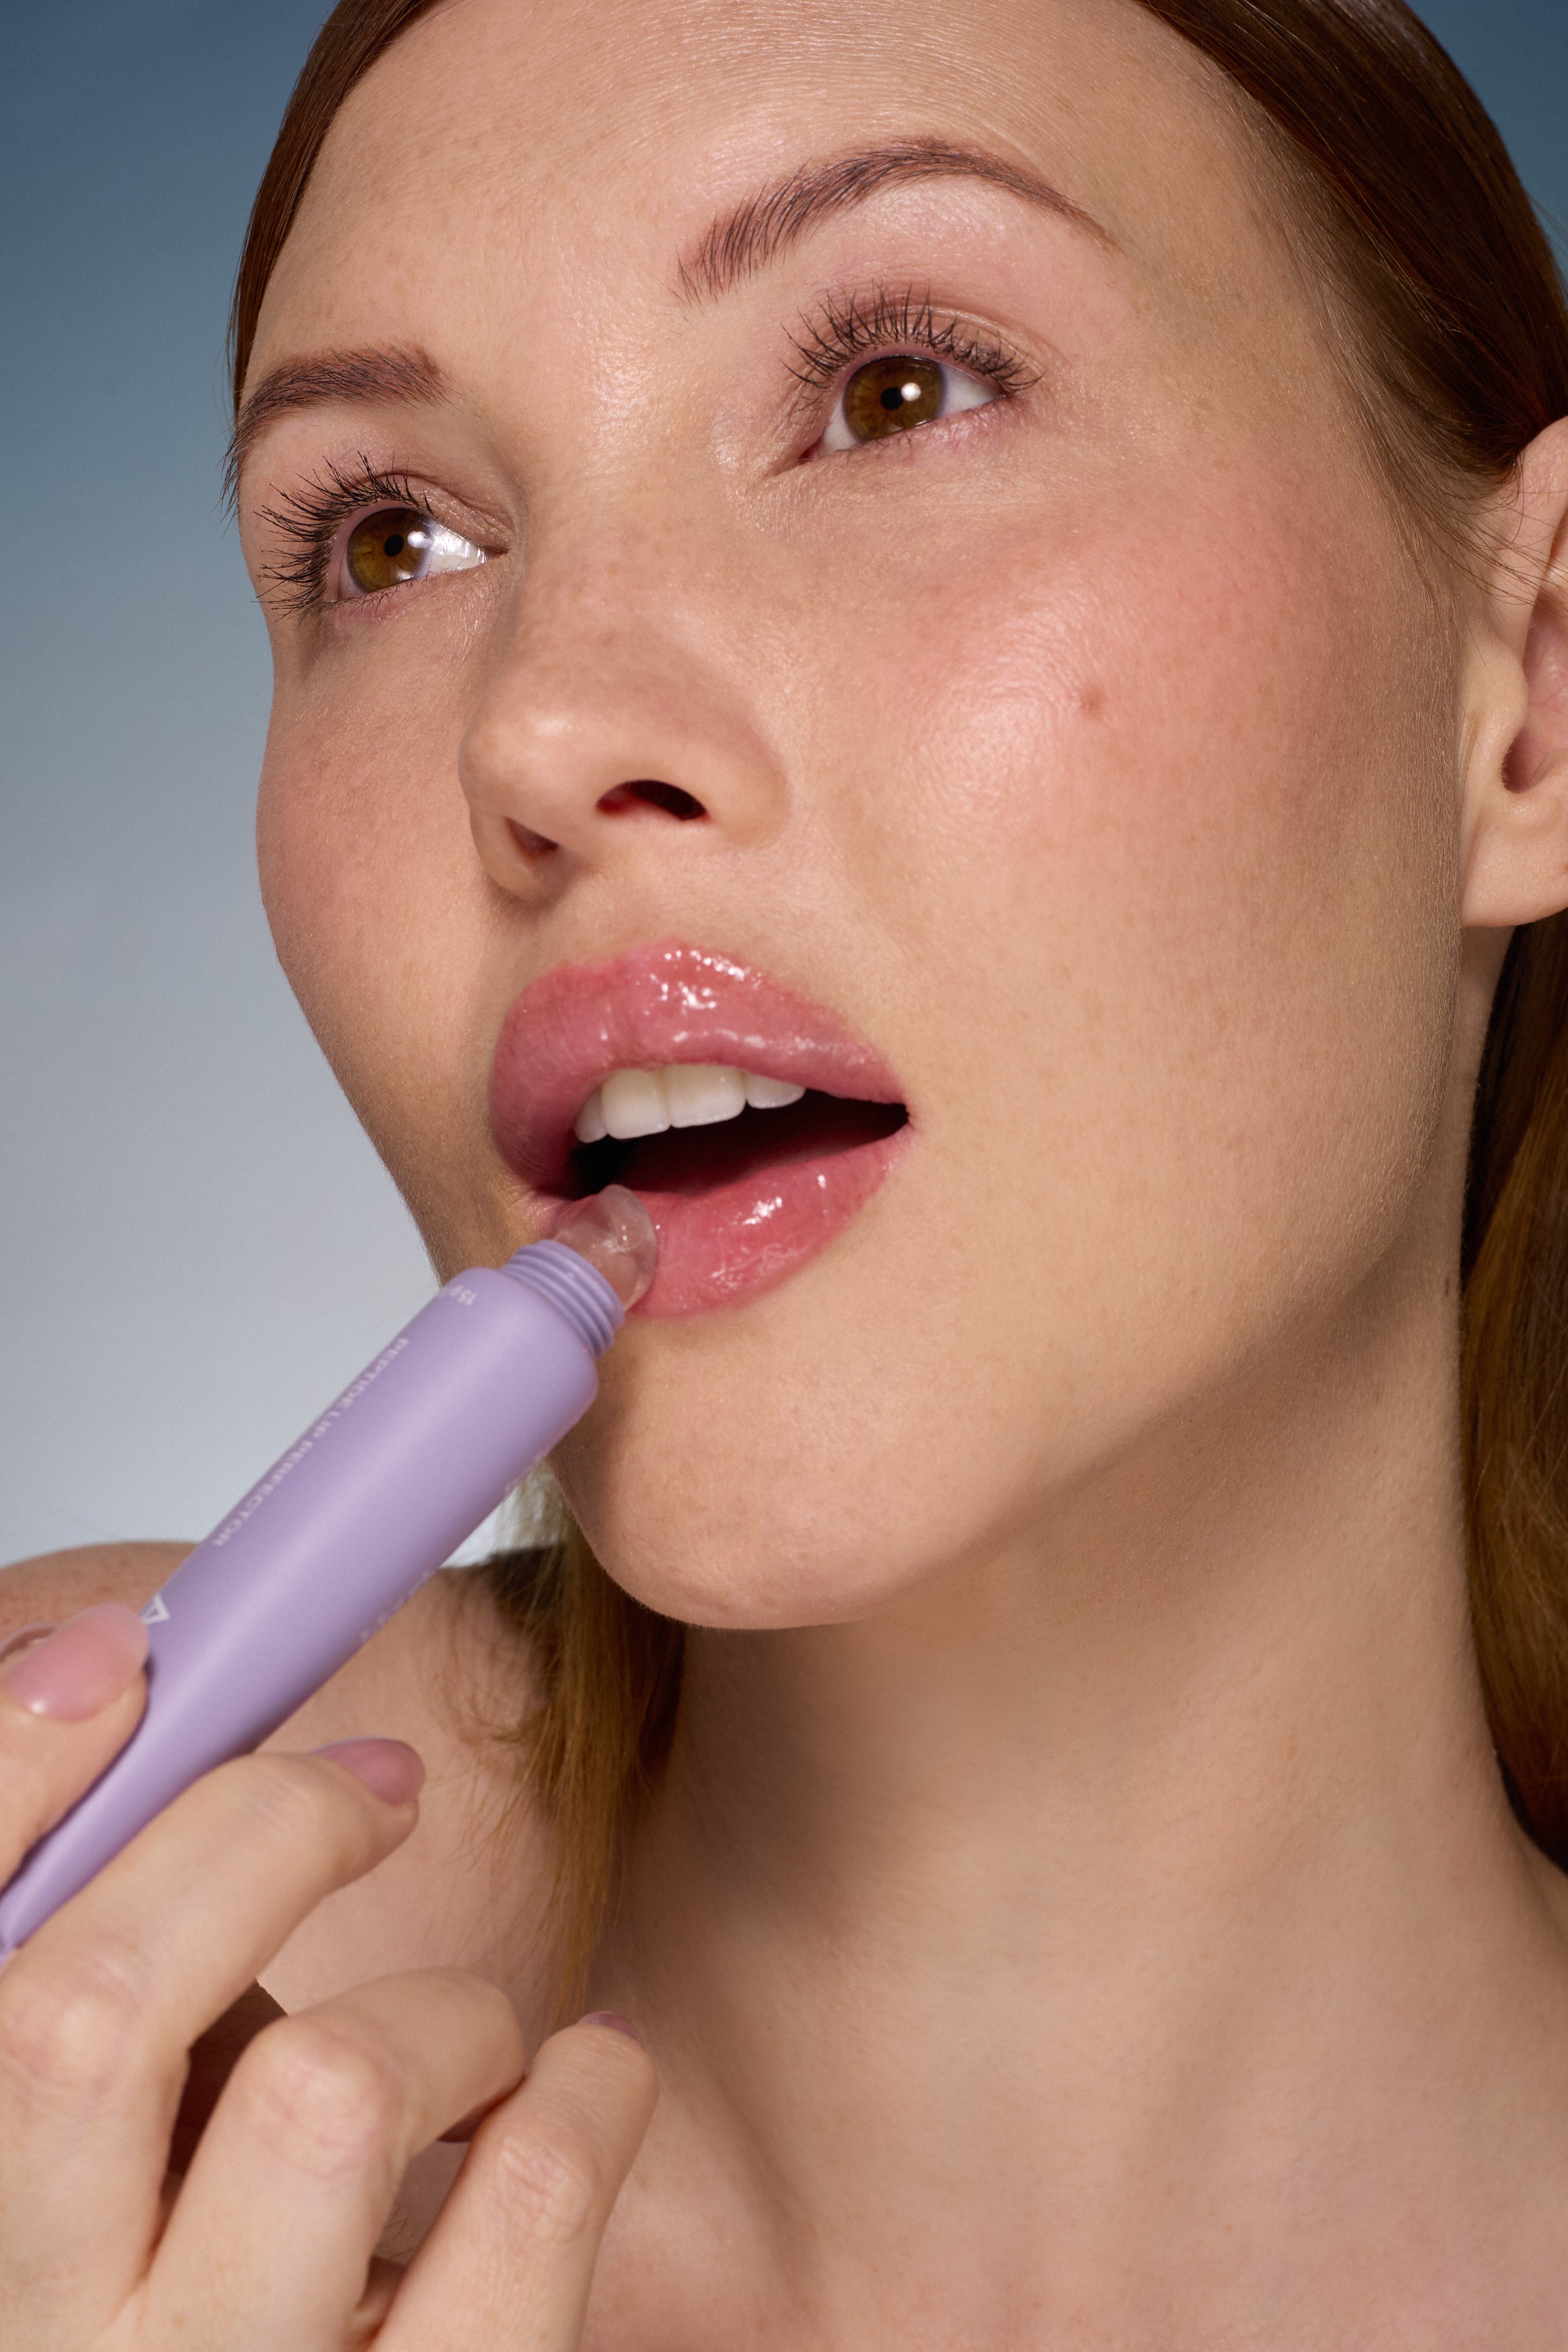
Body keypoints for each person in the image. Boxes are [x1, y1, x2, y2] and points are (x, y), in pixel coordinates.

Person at [4, 0, 1568, 2339]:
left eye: (896, 393)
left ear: (1529, 694)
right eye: (391, 535)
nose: (533, 726)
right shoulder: (61, 1918)